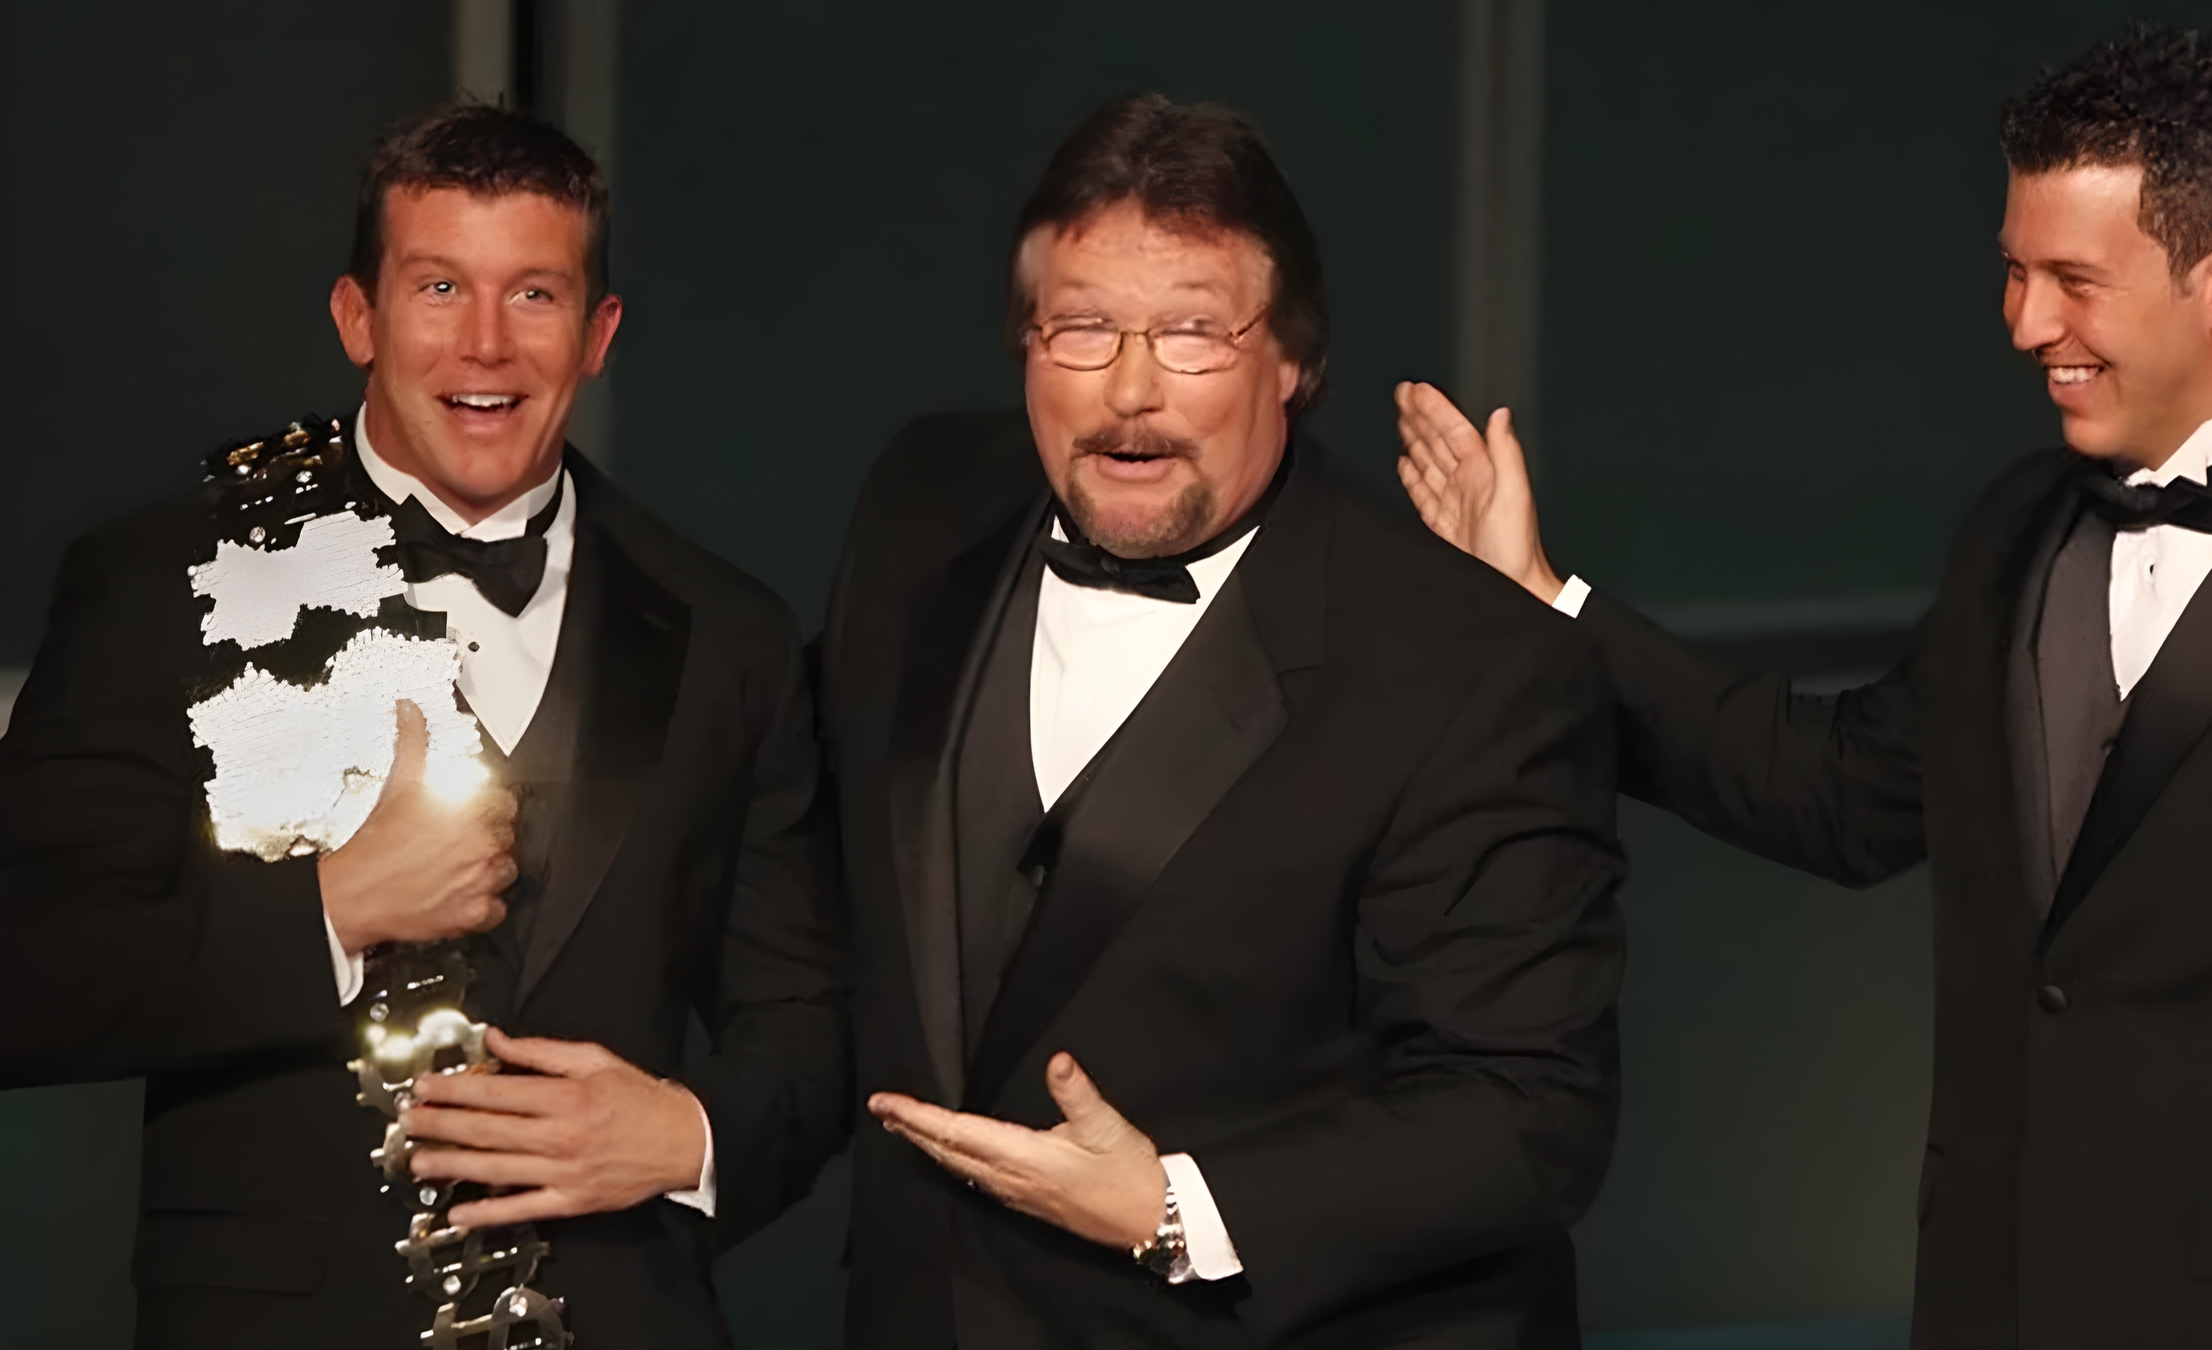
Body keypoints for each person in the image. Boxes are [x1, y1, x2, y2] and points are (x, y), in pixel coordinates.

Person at [1396, 23, 2212, 1349]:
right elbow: (1837, 791)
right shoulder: (2018, 528)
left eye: (2071, 279)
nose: (2025, 322)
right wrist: (1543, 601)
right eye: (2014, 271)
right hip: (1991, 1298)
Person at [0, 105, 845, 1348]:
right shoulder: (173, 577)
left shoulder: (731, 633)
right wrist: (331, 911)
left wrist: (694, 1135)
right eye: (439, 285)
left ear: (600, 333)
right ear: (360, 316)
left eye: (537, 295)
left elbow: (811, 1020)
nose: (487, 343)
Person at [813, 94, 1624, 1347]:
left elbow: (1529, 1116)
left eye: (1194, 332)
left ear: (1292, 359)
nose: (1130, 392)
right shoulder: (923, 499)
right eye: (1083, 326)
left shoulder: (1471, 664)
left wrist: (1178, 1207)